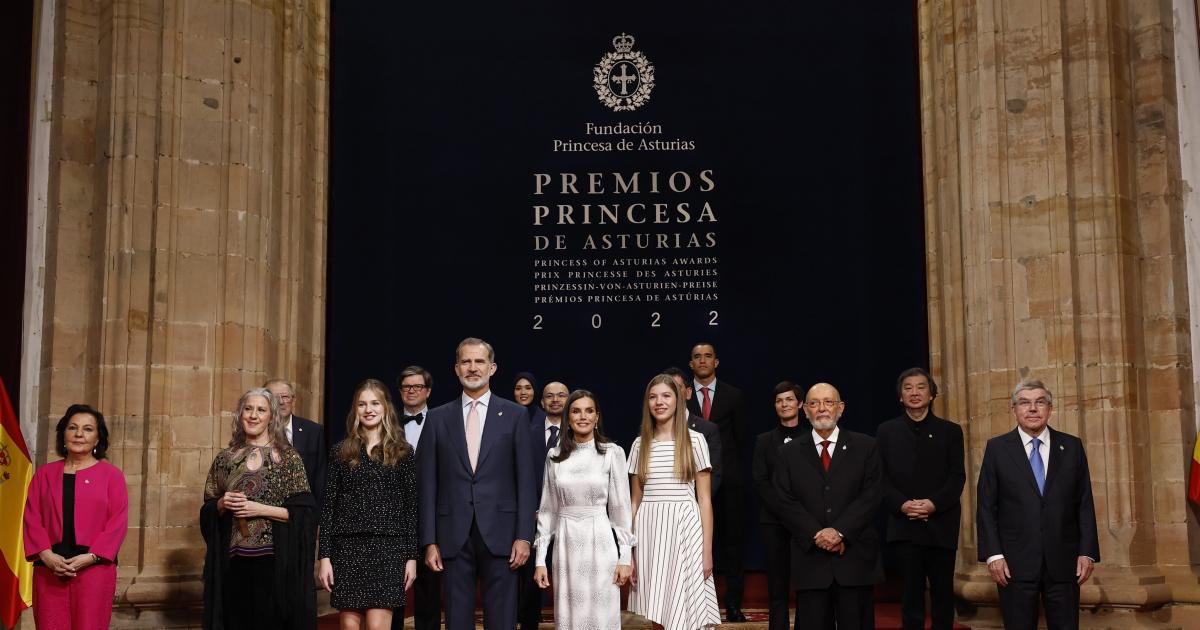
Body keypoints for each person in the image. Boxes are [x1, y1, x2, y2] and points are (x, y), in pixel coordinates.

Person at [419, 338, 537, 630]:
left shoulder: (515, 415)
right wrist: (429, 540)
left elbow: (526, 480)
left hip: (503, 535)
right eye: (466, 362)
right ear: (456, 368)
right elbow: (427, 484)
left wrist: (524, 535)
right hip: (452, 534)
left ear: (492, 367)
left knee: (502, 621)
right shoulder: (436, 418)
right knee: (457, 620)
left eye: (479, 361)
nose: (473, 368)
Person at [976, 378, 1099, 630]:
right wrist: (993, 554)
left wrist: (1087, 551)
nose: (1032, 409)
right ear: (1014, 410)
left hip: (1064, 562)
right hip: (1013, 563)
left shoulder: (1072, 446)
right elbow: (986, 507)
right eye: (1024, 403)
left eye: (1039, 402)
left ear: (1050, 409)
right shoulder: (997, 448)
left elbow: (1084, 502)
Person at [200, 387, 317, 629]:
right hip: (233, 564)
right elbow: (207, 508)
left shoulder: (288, 459)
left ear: (271, 417)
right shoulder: (225, 459)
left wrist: (259, 509)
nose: (253, 415)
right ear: (240, 415)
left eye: (261, 410)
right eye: (248, 409)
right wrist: (221, 504)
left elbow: (305, 515)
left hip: (275, 563)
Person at [772, 383, 882, 630]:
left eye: (828, 402)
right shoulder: (787, 453)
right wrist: (817, 534)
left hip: (854, 560)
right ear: (805, 410)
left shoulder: (866, 447)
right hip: (811, 561)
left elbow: (871, 495)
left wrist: (840, 531)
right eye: (814, 403)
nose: (821, 409)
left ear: (840, 408)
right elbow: (784, 500)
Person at [319, 379, 419, 629]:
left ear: (386, 407)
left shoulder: (403, 452)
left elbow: (411, 508)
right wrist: (325, 557)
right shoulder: (341, 451)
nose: (369, 409)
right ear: (355, 409)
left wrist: (411, 557)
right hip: (347, 549)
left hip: (388, 549)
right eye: (362, 404)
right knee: (350, 627)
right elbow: (329, 506)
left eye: (375, 403)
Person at [533, 389, 635, 629]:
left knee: (601, 615)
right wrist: (540, 560)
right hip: (566, 544)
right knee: (570, 616)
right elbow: (548, 510)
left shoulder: (612, 453)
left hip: (600, 541)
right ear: (568, 417)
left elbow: (621, 509)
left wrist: (625, 557)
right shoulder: (554, 456)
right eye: (576, 411)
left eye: (589, 411)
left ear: (597, 416)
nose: (583, 417)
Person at [23, 404, 128, 630]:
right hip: (50, 569)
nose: (79, 434)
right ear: (63, 435)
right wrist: (47, 555)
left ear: (98, 439)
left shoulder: (112, 476)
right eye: (73, 428)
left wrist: (91, 557)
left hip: (93, 571)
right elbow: (32, 517)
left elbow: (117, 523)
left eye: (88, 429)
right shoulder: (44, 474)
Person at [628, 374, 721, 630]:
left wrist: (707, 552)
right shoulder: (639, 445)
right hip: (650, 533)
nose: (660, 402)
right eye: (653, 396)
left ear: (678, 400)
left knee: (687, 607)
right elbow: (635, 502)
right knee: (658, 607)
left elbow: (704, 500)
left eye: (666, 395)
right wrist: (630, 552)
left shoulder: (696, 441)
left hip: (685, 529)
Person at [876, 368, 965, 630]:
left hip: (941, 526)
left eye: (921, 387)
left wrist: (932, 504)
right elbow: (880, 478)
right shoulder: (886, 431)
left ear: (932, 394)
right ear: (900, 397)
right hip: (904, 526)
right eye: (908, 388)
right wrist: (902, 505)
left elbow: (956, 477)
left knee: (942, 596)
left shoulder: (951, 431)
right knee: (911, 596)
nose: (915, 393)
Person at [685, 342, 747, 622]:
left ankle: (733, 605)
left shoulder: (734, 396)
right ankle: (694, 604)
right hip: (690, 484)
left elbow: (741, 440)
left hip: (729, 484)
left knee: (732, 546)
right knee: (694, 545)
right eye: (697, 357)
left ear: (716, 362)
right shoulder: (681, 396)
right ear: (691, 364)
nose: (702, 360)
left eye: (707, 356)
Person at [751, 382, 806, 630]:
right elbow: (761, 481)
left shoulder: (811, 437)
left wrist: (799, 515)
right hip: (773, 522)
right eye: (779, 401)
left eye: (789, 399)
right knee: (777, 587)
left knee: (807, 584)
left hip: (807, 523)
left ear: (800, 404)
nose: (784, 404)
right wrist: (785, 512)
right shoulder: (764, 441)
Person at [518, 380, 569, 630]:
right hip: (533, 516)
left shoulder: (580, 432)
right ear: (542, 402)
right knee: (531, 581)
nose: (556, 400)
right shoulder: (527, 432)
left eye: (561, 395)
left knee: (569, 578)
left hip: (571, 516)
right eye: (550, 396)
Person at [395, 365, 440, 630]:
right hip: (395, 515)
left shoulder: (443, 422)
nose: (412, 391)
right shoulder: (387, 424)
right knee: (393, 586)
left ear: (428, 391)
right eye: (406, 387)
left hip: (430, 514)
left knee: (429, 587)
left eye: (417, 386)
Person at [265, 378, 327, 507]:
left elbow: (321, 478)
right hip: (267, 511)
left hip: (304, 512)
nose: (281, 402)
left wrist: (319, 520)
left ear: (293, 400)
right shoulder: (259, 432)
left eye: (285, 397)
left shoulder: (314, 431)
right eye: (275, 398)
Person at [662, 367, 722, 493]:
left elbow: (714, 475)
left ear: (688, 393)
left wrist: (689, 504)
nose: (673, 394)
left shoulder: (707, 430)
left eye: (677, 388)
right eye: (667, 390)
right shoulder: (648, 431)